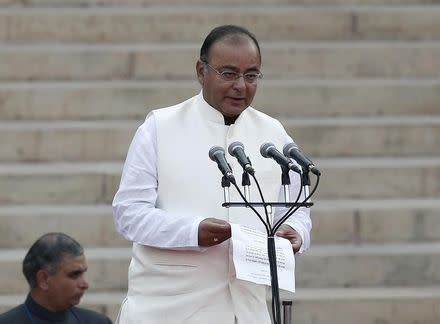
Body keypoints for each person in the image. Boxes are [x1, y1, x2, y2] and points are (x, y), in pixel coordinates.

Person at [112, 25, 312, 324]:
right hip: (168, 310)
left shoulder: (273, 134)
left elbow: (296, 210)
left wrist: (297, 235)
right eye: (228, 74)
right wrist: (193, 232)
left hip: (247, 310)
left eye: (251, 75)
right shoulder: (159, 128)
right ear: (201, 71)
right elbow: (128, 213)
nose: (241, 86)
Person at [0, 232, 112, 324]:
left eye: (83, 273)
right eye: (74, 274)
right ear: (43, 280)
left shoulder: (97, 322)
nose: (84, 284)